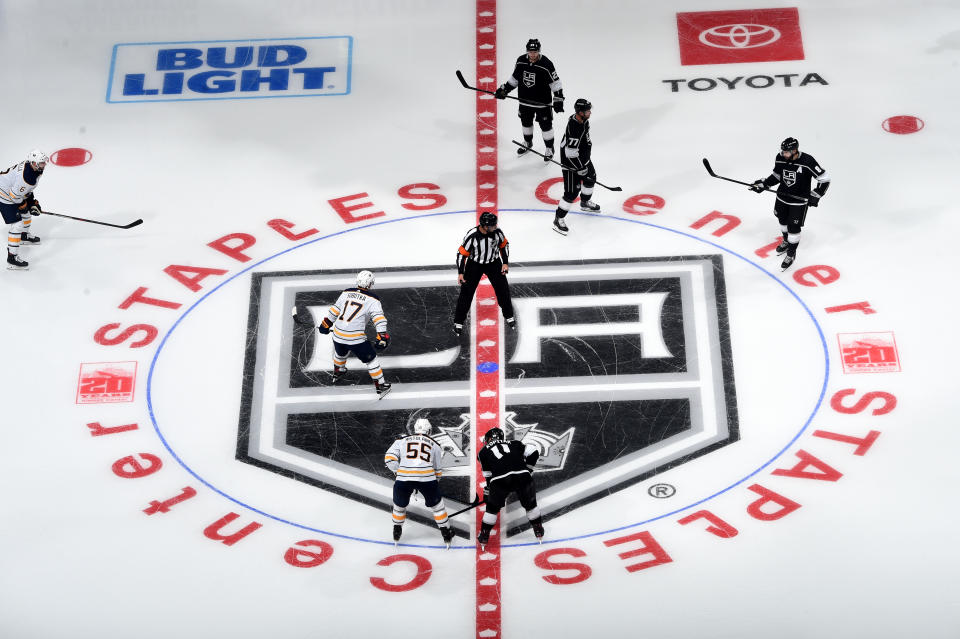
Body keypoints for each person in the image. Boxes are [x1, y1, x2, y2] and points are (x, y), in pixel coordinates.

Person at [750, 137, 831, 271]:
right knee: (782, 219)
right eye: (783, 151)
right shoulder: (780, 157)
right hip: (782, 197)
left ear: (794, 151)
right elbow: (777, 176)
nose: (783, 154)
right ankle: (786, 240)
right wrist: (764, 184)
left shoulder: (807, 161)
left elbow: (824, 178)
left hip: (798, 202)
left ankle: (791, 253)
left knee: (793, 227)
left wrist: (816, 194)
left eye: (786, 152)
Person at [315, 270, 392, 397]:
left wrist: (326, 324)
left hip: (338, 334)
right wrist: (382, 335)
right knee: (371, 360)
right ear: (371, 283)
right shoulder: (373, 299)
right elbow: (378, 319)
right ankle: (381, 386)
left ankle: (338, 371)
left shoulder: (346, 292)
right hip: (356, 338)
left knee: (340, 353)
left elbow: (335, 310)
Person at [384, 418, 455, 547]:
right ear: (429, 430)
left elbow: (389, 459)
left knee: (399, 506)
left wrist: (397, 472)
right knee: (438, 507)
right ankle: (446, 533)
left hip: (403, 479)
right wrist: (434, 483)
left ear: (415, 429)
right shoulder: (435, 445)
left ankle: (396, 531)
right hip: (427, 479)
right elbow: (438, 471)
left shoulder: (401, 441)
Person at [494, 38, 564, 161]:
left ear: (539, 51)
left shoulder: (546, 64)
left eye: (535, 52)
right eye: (530, 52)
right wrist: (504, 89)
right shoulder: (521, 61)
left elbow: (555, 83)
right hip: (524, 101)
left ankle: (549, 148)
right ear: (527, 51)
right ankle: (527, 143)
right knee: (526, 123)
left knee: (546, 126)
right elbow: (515, 79)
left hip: (542, 103)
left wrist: (558, 99)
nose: (532, 54)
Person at [476, 427, 544, 547]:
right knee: (531, 505)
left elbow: (488, 475)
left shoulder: (482, 452)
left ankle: (484, 535)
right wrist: (528, 470)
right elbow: (534, 451)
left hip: (499, 480)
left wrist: (489, 493)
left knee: (492, 509)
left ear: (489, 439)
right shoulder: (515, 443)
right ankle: (538, 529)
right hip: (522, 476)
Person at [453, 211, 515, 336]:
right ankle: (458, 322)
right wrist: (461, 272)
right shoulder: (472, 236)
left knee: (503, 290)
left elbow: (504, 245)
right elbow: (461, 254)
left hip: (493, 263)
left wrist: (505, 262)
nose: (495, 227)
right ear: (485, 226)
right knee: (466, 293)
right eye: (492, 225)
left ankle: (509, 315)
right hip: (475, 264)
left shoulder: (497, 233)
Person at [553, 99, 600, 236]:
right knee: (571, 192)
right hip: (571, 162)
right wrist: (579, 168)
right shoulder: (575, 127)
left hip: (582, 158)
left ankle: (584, 203)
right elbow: (570, 152)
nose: (590, 112)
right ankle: (558, 219)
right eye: (587, 111)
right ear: (580, 113)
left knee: (591, 179)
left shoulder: (583, 120)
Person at [0, 149, 48, 270]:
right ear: (33, 163)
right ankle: (12, 257)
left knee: (26, 214)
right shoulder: (26, 176)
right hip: (3, 194)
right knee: (17, 224)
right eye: (41, 163)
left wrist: (32, 202)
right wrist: (25, 206)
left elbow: (25, 190)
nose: (44, 165)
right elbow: (14, 196)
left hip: (11, 191)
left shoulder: (34, 169)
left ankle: (23, 236)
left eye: (44, 162)